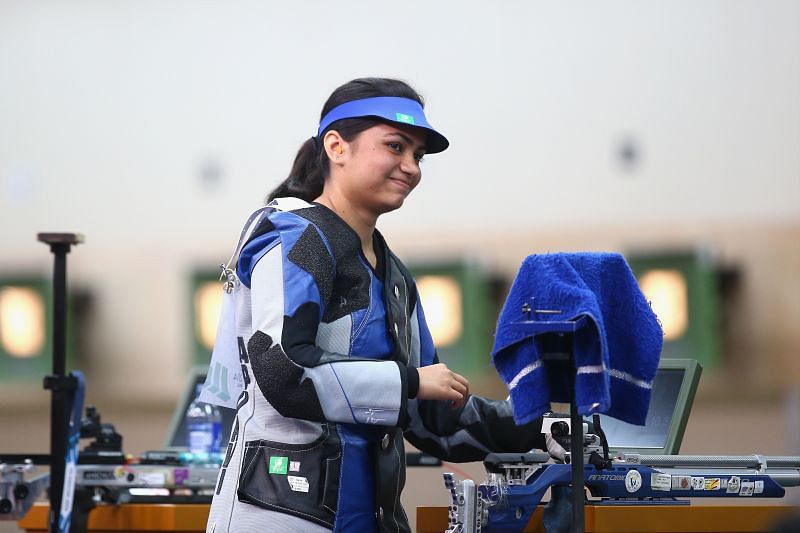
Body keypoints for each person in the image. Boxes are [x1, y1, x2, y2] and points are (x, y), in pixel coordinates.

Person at [206, 77, 548, 533]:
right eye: (395, 146)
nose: (410, 166)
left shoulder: (395, 276)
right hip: (281, 516)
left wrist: (541, 428)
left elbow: (430, 416)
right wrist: (408, 380)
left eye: (418, 155)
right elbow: (284, 373)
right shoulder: (295, 238)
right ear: (336, 146)